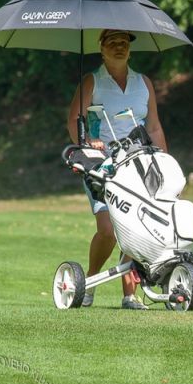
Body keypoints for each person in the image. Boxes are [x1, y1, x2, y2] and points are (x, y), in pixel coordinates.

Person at [66, 28, 169, 310]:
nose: (119, 46)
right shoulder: (92, 81)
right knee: (108, 229)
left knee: (135, 226)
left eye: (124, 42)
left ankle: (129, 294)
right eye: (112, 42)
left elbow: (154, 127)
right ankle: (90, 280)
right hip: (101, 165)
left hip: (137, 163)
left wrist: (164, 163)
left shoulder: (143, 83)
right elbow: (74, 120)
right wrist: (87, 144)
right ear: (101, 48)